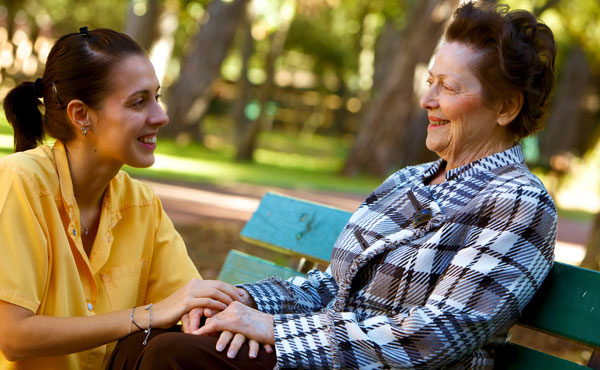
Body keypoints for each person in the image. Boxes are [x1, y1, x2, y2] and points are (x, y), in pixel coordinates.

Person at [108, 1, 558, 369]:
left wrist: (274, 333)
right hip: (323, 353)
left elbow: (432, 337)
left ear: (505, 107)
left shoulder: (519, 203)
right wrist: (242, 300)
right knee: (145, 341)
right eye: (429, 82)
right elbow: (332, 288)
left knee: (172, 356)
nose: (427, 100)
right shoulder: (406, 181)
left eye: (450, 88)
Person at [0, 27, 250, 370]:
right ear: (81, 115)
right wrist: (146, 315)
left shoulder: (141, 204)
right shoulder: (20, 182)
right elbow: (12, 337)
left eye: (157, 97)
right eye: (138, 102)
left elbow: (190, 302)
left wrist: (202, 311)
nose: (160, 117)